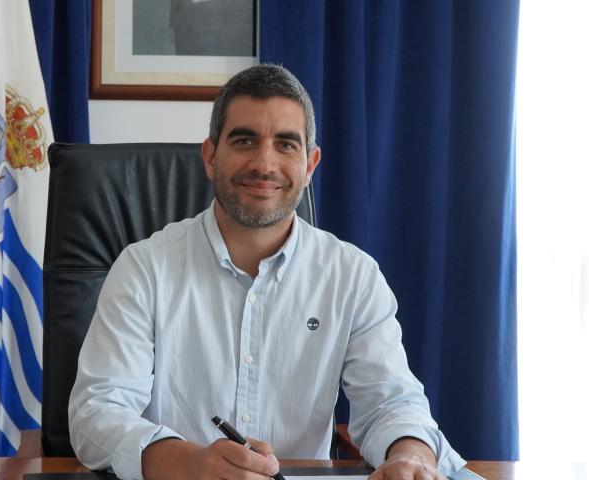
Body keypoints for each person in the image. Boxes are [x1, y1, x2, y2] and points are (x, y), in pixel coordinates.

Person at [69, 64, 466, 480]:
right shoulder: (144, 268)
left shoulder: (353, 276)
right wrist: (190, 463)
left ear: (310, 165)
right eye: (244, 140)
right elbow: (97, 412)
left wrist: (412, 457)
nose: (264, 163)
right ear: (210, 156)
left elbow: (392, 403)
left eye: (286, 144)